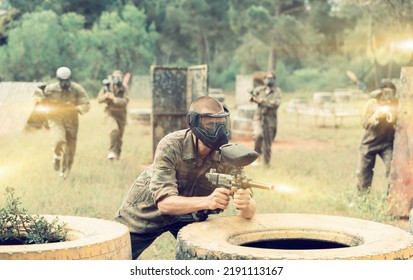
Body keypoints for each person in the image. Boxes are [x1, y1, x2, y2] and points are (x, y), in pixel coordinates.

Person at [114, 96, 256, 259]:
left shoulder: (230, 155)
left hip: (189, 217)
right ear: (195, 123)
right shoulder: (172, 145)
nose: (218, 132)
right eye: (210, 125)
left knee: (206, 260)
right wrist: (208, 202)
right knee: (112, 260)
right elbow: (165, 204)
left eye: (221, 124)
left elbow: (249, 212)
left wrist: (245, 203)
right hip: (145, 213)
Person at [33, 66, 90, 179]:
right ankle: (57, 156)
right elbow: (38, 97)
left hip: (72, 121)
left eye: (67, 80)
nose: (64, 83)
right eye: (62, 80)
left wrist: (76, 108)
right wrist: (40, 94)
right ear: (58, 79)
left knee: (70, 149)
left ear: (70, 79)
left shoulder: (77, 89)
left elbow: (86, 104)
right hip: (56, 119)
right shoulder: (50, 89)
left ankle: (65, 171)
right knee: (59, 140)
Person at [354, 80, 398, 196]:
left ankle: (392, 198)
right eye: (385, 92)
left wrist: (393, 119)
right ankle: (362, 199)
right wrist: (375, 117)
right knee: (363, 173)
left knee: (393, 170)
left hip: (387, 144)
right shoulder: (372, 103)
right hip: (369, 143)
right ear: (381, 92)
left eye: (391, 92)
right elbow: (364, 123)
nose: (388, 96)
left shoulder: (397, 104)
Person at [249, 71, 282, 167]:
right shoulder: (260, 89)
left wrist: (262, 101)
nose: (269, 80)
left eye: (271, 78)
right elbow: (252, 97)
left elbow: (275, 103)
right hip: (259, 118)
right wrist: (254, 98)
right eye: (267, 78)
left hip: (270, 120)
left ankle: (266, 165)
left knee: (268, 144)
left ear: (274, 80)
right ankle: (257, 156)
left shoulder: (277, 91)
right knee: (258, 135)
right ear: (264, 80)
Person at [97, 70, 129, 160]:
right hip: (110, 113)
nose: (117, 80)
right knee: (114, 130)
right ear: (112, 78)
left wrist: (114, 98)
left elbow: (125, 101)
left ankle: (117, 155)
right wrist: (105, 96)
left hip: (121, 115)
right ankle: (111, 151)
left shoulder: (124, 88)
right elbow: (99, 99)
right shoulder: (106, 87)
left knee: (119, 137)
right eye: (115, 77)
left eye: (119, 77)